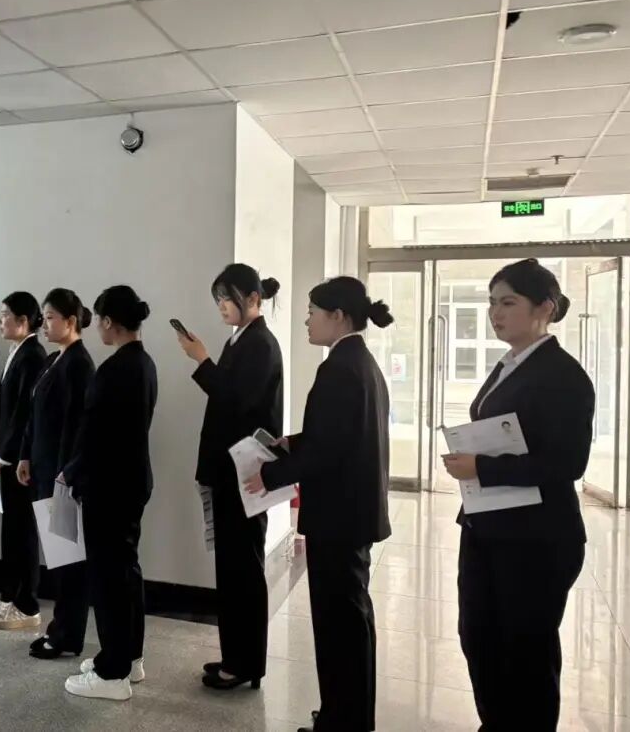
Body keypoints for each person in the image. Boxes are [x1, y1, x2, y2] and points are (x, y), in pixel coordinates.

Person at [441, 259, 594, 731]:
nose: (495, 313)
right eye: (492, 303)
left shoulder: (564, 375)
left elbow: (567, 464)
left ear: (544, 308)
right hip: (488, 525)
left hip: (536, 538)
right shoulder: (509, 364)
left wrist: (481, 467)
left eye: (508, 302)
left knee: (526, 652)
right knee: (479, 637)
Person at [245, 276, 394, 732]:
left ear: (339, 316)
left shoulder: (341, 369)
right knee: (348, 621)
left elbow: (328, 451)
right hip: (352, 514)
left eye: (312, 312)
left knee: (339, 625)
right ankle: (345, 715)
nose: (307, 320)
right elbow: (339, 435)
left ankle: (343, 721)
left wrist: (270, 474)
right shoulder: (358, 362)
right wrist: (293, 442)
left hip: (340, 517)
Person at [176, 263, 282, 690]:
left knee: (243, 570)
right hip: (229, 471)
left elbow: (237, 401)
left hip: (245, 473)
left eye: (228, 298)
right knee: (233, 568)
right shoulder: (241, 338)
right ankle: (236, 657)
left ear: (253, 299)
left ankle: (245, 663)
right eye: (218, 299)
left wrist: (202, 361)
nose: (221, 306)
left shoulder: (260, 343)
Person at [62, 286, 158, 702]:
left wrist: (71, 472)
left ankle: (112, 673)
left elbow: (96, 435)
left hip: (109, 485)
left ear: (107, 321)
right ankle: (129, 657)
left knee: (108, 578)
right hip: (130, 481)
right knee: (125, 572)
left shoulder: (116, 368)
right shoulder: (143, 362)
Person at [19, 288, 95, 660]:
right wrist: (25, 455)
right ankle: (59, 629)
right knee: (58, 555)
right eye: (44, 317)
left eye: (50, 317)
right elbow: (35, 414)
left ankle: (66, 635)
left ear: (71, 320)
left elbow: (78, 427)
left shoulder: (79, 364)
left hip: (62, 476)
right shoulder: (54, 358)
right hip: (44, 466)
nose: (45, 324)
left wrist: (66, 475)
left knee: (68, 559)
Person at [0, 292, 47, 631]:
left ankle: (27, 603)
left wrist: (8, 455)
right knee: (11, 530)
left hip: (21, 460)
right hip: (7, 456)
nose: (0, 321)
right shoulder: (17, 352)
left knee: (23, 532)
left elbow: (24, 415)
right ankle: (9, 596)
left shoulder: (33, 356)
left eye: (6, 314)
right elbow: (6, 412)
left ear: (23, 321)